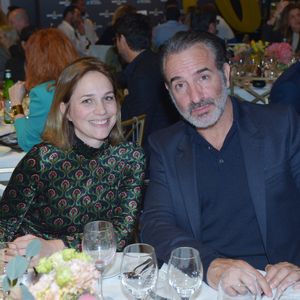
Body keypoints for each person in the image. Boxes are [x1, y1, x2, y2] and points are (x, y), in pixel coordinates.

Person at [140, 31, 300, 298]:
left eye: (203, 77)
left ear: (225, 74)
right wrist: (210, 265)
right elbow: (156, 224)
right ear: (169, 92)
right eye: (180, 85)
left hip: (281, 283)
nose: (195, 97)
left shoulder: (280, 126)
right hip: (210, 287)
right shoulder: (165, 146)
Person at [0, 57, 146, 259]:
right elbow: (5, 223)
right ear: (65, 111)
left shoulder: (131, 158)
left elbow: (121, 234)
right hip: (35, 267)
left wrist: (54, 247)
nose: (102, 110)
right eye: (87, 100)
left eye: (108, 98)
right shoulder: (43, 159)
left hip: (99, 268)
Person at [114, 13, 179, 157]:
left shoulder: (141, 77)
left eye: (116, 40)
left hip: (152, 155)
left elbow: (134, 129)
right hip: (170, 144)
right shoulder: (157, 61)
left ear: (122, 40)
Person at [8, 28, 79, 152]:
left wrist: (16, 104)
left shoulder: (44, 92)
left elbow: (28, 143)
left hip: (60, 163)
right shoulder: (79, 82)